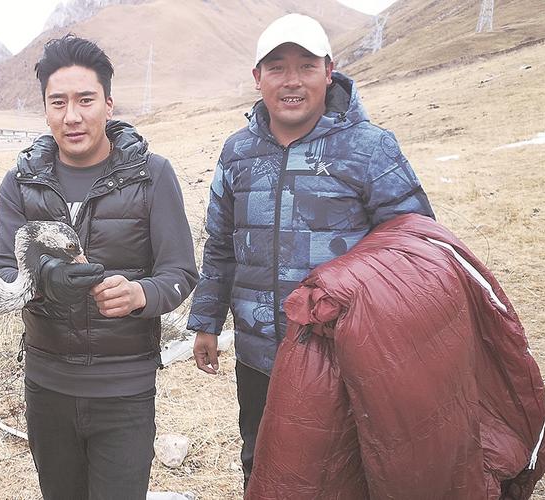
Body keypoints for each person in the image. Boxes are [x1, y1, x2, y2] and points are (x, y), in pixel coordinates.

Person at [186, 13, 435, 489]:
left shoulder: (370, 148)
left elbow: (414, 248)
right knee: (261, 465)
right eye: (277, 67)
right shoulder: (237, 152)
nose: (292, 80)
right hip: (259, 356)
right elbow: (220, 245)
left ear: (329, 71)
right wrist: (206, 322)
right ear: (257, 77)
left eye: (306, 65)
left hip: (343, 357)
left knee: (345, 473)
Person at [0, 34, 198, 500]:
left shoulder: (152, 175)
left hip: (125, 390)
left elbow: (180, 272)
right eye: (58, 102)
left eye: (85, 100)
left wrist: (140, 294)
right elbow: (4, 269)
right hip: (46, 387)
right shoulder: (21, 183)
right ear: (45, 109)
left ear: (108, 104)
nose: (72, 116)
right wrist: (46, 279)